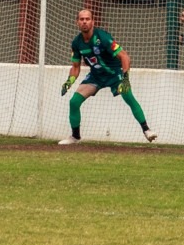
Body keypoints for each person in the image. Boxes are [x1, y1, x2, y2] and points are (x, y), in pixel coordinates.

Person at [59, 9, 157, 144]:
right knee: (74, 102)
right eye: (81, 19)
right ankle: (75, 137)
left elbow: (124, 56)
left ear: (93, 22)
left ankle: (147, 130)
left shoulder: (102, 37)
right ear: (77, 22)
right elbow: (76, 67)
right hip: (96, 76)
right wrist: (69, 82)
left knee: (128, 97)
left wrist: (125, 78)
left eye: (87, 19)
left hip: (114, 74)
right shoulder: (76, 43)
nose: (84, 22)